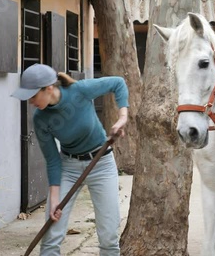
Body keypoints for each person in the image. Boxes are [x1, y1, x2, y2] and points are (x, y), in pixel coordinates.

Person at [11, 64, 129, 256]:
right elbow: (52, 160)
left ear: (49, 88)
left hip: (101, 164)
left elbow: (118, 83)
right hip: (69, 167)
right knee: (51, 236)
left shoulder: (80, 91)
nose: (30, 101)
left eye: (33, 96)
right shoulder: (40, 119)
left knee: (108, 236)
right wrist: (55, 199)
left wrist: (122, 117)